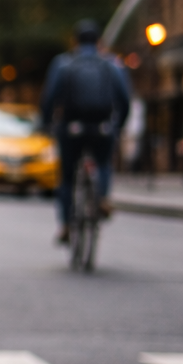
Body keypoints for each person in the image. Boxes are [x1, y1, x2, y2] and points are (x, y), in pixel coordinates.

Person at [39, 19, 132, 245]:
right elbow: (125, 99)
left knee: (68, 176)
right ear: (98, 41)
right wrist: (118, 126)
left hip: (71, 127)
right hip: (102, 126)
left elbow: (49, 98)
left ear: (74, 41)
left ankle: (66, 225)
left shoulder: (63, 63)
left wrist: (46, 124)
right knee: (102, 162)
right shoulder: (111, 64)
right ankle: (101, 198)